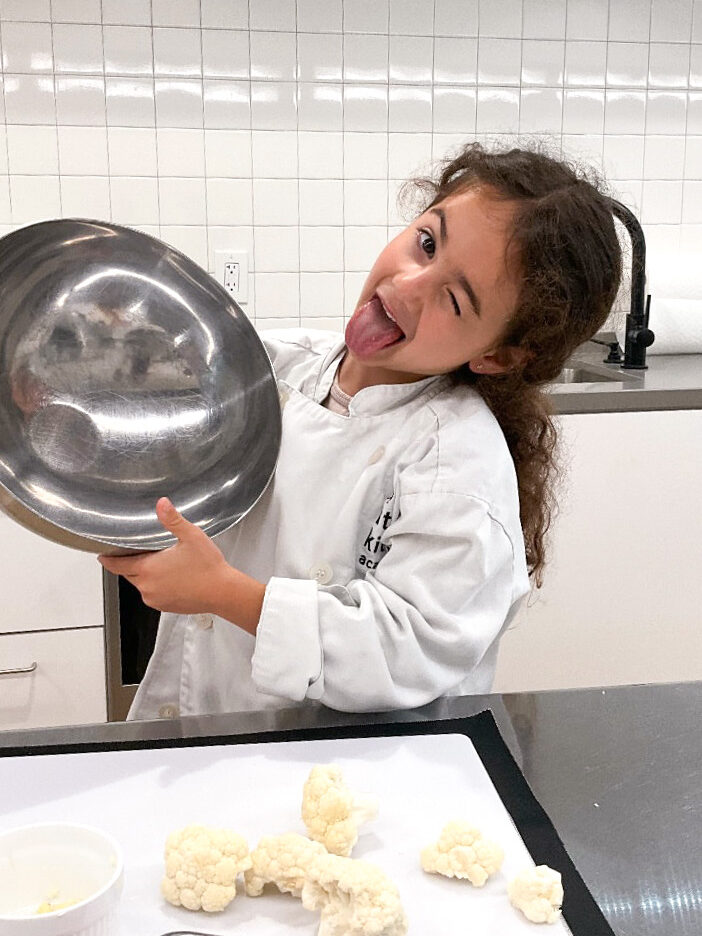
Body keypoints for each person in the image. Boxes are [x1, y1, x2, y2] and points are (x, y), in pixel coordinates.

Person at [99, 141, 622, 719]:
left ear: (498, 356)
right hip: (210, 714)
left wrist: (222, 592)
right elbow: (162, 424)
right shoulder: (277, 367)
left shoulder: (457, 465)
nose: (407, 284)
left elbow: (402, 649)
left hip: (346, 770)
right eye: (427, 243)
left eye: (453, 298)